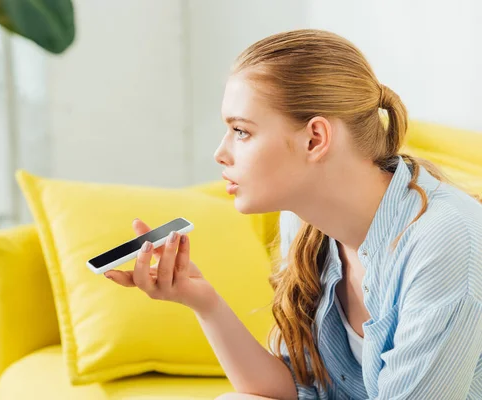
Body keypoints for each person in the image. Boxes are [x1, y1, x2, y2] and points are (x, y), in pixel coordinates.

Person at [104, 29, 482, 399]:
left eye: (241, 131)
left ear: (315, 139)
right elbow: (297, 388)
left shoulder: (444, 240)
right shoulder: (303, 221)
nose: (220, 153)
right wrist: (202, 300)